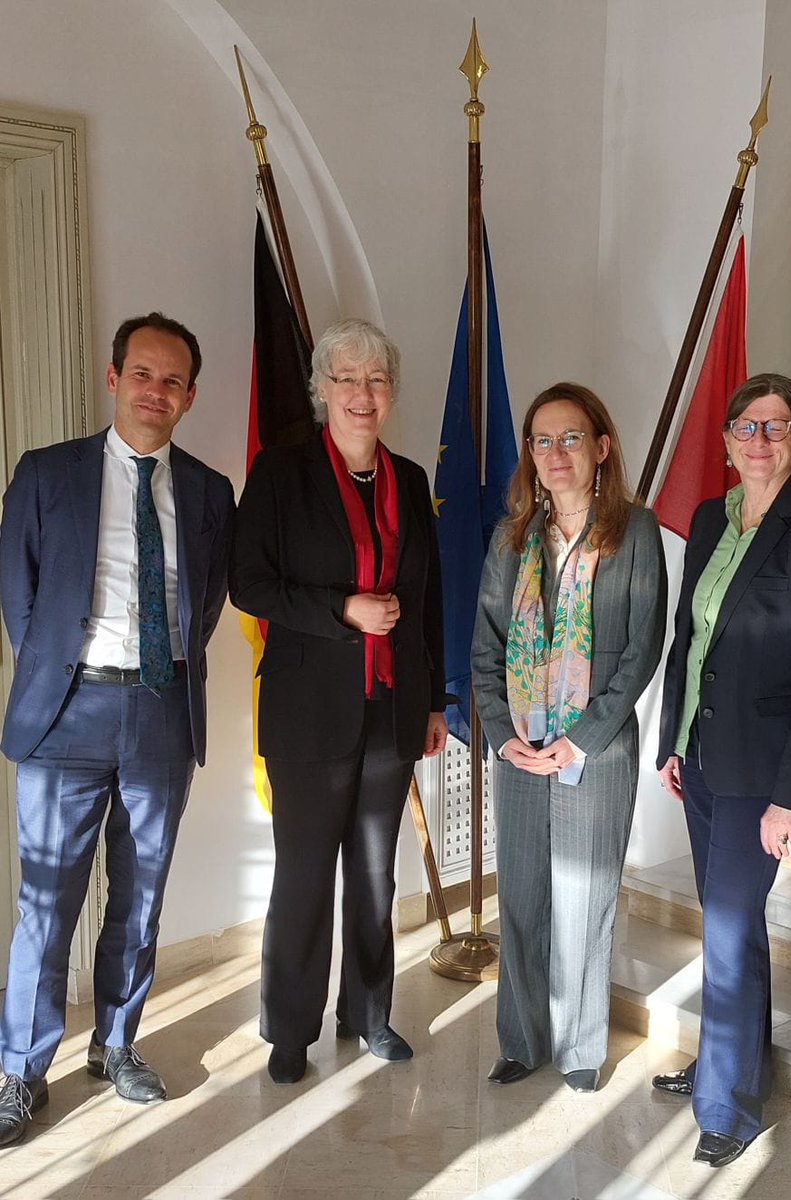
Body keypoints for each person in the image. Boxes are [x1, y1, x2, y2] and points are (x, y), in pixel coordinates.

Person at [0, 313, 235, 1146]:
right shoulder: (46, 474)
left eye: (172, 381)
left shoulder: (209, 492)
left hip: (161, 711)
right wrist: (65, 678)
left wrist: (154, 671)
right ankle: (21, 1071)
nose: (155, 391)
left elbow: (202, 605)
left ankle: (116, 1044)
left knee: (140, 896)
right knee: (46, 901)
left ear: (190, 396)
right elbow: (20, 599)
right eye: (142, 373)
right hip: (67, 711)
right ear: (113, 379)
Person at [229, 318, 447, 1085]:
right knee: (303, 874)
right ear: (321, 390)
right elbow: (247, 585)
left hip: (391, 709)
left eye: (376, 379)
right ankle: (289, 1031)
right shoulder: (280, 474)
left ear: (390, 394)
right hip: (306, 714)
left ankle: (368, 1013)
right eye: (346, 379)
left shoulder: (411, 479)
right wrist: (340, 610)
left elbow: (426, 597)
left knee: (376, 874)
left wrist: (434, 700)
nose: (362, 393)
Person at [654, 373, 791, 1168]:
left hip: (760, 773)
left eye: (776, 427)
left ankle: (727, 1110)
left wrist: (788, 796)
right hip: (701, 756)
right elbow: (689, 635)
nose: (760, 440)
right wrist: (672, 740)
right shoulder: (710, 517)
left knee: (730, 935)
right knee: (727, 928)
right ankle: (732, 1068)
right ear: (728, 440)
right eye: (746, 426)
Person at [471, 382, 667, 1093]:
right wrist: (502, 735)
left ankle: (581, 1051)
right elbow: (485, 649)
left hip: (597, 750)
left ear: (601, 448)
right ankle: (520, 1040)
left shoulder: (634, 532)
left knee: (584, 902)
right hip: (521, 749)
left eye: (570, 438)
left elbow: (641, 649)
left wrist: (579, 739)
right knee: (521, 898)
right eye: (541, 440)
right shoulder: (511, 538)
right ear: (530, 454)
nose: (555, 453)